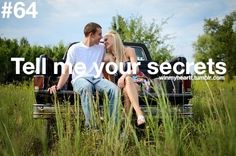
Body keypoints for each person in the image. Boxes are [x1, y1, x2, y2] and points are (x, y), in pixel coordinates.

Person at [48, 22, 120, 127]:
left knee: (115, 90)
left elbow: (113, 50)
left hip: (97, 80)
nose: (101, 37)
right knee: (86, 87)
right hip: (80, 80)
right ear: (91, 34)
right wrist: (58, 86)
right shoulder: (75, 49)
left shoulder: (101, 47)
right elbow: (67, 69)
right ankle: (91, 127)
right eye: (99, 34)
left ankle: (113, 126)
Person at [103, 30, 145, 126]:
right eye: (103, 41)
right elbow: (108, 77)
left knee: (128, 81)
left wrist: (123, 76)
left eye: (106, 40)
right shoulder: (108, 57)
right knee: (126, 89)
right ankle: (138, 118)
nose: (104, 42)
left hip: (136, 81)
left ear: (114, 38)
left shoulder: (129, 50)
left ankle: (129, 125)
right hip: (121, 86)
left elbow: (135, 69)